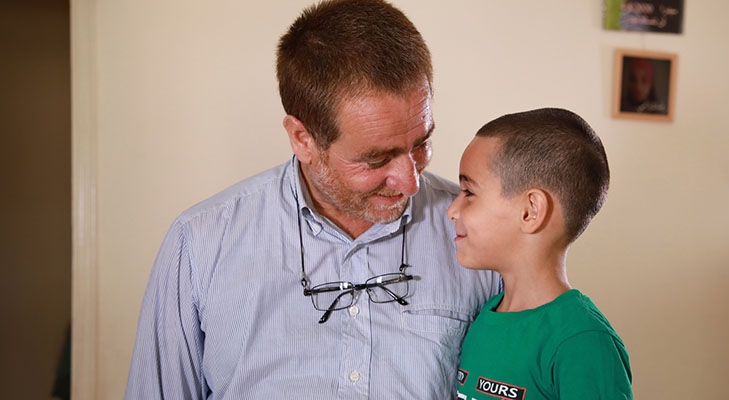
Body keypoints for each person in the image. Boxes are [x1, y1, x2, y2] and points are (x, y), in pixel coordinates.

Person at [124, 0, 502, 399]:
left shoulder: (485, 231)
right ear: (302, 139)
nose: (410, 182)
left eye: (421, 143)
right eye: (376, 159)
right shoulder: (199, 245)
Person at [448, 108, 633, 399]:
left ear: (530, 211)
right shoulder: (486, 316)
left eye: (469, 192)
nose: (452, 210)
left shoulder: (582, 342)